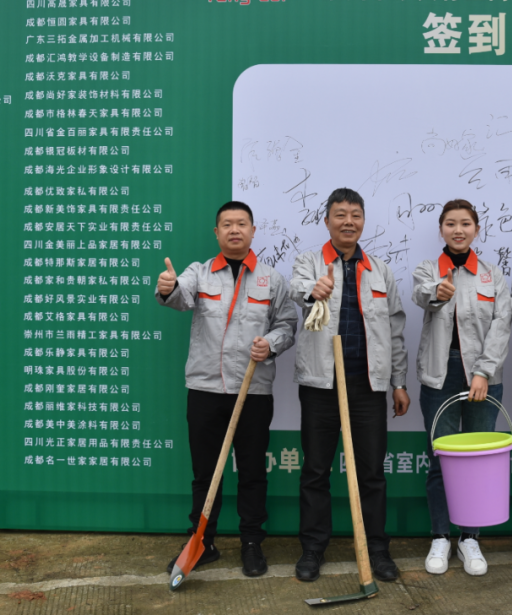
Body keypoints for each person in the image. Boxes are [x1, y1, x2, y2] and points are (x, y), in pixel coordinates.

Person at [155, 201, 297, 578]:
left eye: (241, 224)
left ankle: (251, 543)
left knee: (252, 471)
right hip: (205, 390)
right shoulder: (199, 273)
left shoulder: (272, 279)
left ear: (253, 231)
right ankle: (202, 542)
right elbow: (179, 297)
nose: (235, 230)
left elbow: (287, 324)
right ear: (216, 233)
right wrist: (168, 288)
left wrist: (271, 343)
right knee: (205, 473)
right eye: (227, 224)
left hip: (253, 392)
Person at [290, 187, 410, 583]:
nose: (348, 222)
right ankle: (312, 549)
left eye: (355, 215)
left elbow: (394, 330)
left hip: (368, 386)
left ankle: (377, 549)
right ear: (327, 221)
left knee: (371, 472)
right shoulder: (310, 262)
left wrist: (398, 382)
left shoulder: (379, 270)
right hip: (321, 385)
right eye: (340, 215)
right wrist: (314, 290)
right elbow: (296, 289)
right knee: (315, 470)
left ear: (363, 221)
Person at [412, 199, 512, 576]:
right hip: (440, 374)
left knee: (477, 463)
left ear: (476, 230)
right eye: (451, 224)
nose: (458, 230)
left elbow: (502, 325)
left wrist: (483, 372)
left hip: (483, 376)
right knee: (441, 458)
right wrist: (438, 292)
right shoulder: (428, 269)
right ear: (441, 229)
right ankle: (440, 535)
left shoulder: (492, 274)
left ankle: (470, 538)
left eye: (465, 224)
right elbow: (422, 294)